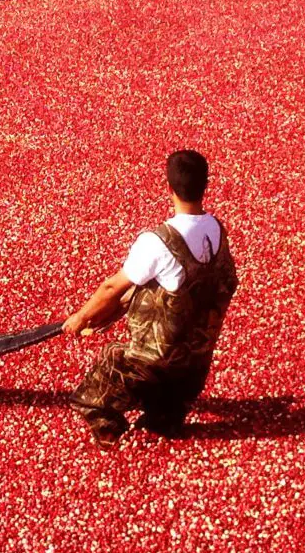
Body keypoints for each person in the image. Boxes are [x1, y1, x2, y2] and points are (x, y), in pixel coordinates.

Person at [63, 150, 238, 449]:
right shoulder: (217, 231)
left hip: (155, 367)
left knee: (101, 378)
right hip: (194, 369)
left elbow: (111, 288)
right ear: (206, 185)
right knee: (161, 421)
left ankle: (111, 432)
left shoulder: (158, 242)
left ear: (168, 188)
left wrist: (81, 318)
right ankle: (163, 417)